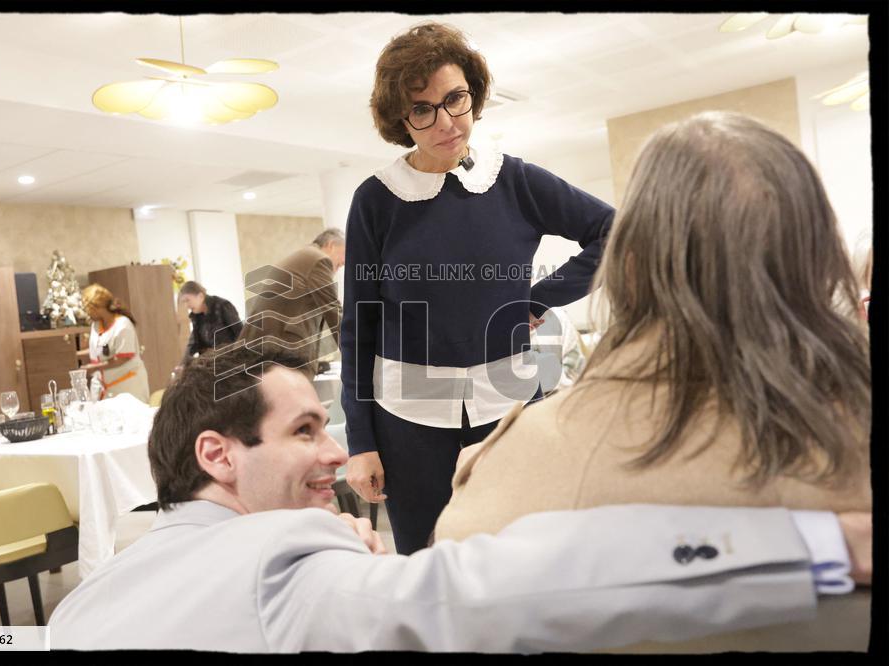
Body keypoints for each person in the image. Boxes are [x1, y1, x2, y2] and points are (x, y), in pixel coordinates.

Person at [48, 346, 865, 652]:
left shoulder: (87, 599)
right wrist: (812, 547)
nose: (334, 452)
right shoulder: (281, 562)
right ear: (218, 456)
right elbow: (513, 584)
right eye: (304, 430)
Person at [435, 113, 873, 557]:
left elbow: (458, 567)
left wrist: (486, 471)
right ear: (820, 255)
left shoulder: (534, 455)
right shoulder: (852, 425)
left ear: (630, 264)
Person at [341, 22, 615, 554]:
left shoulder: (515, 181)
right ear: (400, 119)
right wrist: (360, 442)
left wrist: (540, 297)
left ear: (473, 93)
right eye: (422, 109)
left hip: (510, 402)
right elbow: (359, 326)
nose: (446, 122)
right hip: (407, 415)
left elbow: (615, 231)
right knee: (426, 556)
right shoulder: (375, 201)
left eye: (455, 99)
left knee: (526, 547)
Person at [238, 228, 344, 379]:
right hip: (281, 353)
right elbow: (333, 311)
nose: (344, 262)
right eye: (345, 253)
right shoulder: (319, 259)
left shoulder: (305, 256)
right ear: (331, 245)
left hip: (265, 349)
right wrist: (357, 355)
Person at [80, 283, 150, 403]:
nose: (87, 313)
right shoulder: (96, 325)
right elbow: (99, 350)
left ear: (96, 307)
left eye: (88, 309)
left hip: (127, 387)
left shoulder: (123, 325)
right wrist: (75, 355)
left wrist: (92, 368)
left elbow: (122, 358)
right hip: (104, 387)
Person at [178, 281, 243, 361]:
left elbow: (241, 333)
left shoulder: (222, 305)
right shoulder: (196, 316)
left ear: (201, 296)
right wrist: (183, 363)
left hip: (230, 360)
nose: (186, 306)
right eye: (184, 302)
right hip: (211, 362)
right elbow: (193, 343)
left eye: (187, 300)